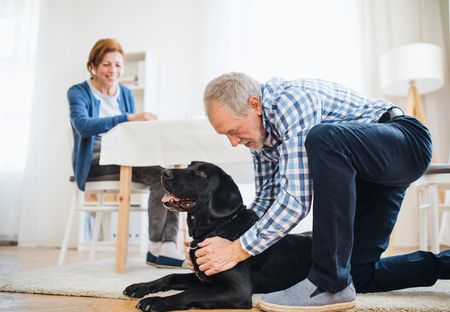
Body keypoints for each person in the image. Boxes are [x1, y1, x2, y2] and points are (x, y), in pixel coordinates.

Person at [190, 72, 450, 312]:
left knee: (323, 138)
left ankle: (328, 284)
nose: (234, 142)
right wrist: (216, 246)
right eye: (226, 135)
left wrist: (237, 250)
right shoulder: (260, 138)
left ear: (255, 105)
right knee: (356, 273)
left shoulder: (291, 102)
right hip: (370, 176)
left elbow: (296, 200)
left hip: (405, 142)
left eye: (234, 131)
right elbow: (267, 198)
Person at [68, 38, 187, 269]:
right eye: (106, 64)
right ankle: (155, 248)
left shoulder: (125, 93)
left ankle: (167, 247)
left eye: (118, 65)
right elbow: (82, 125)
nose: (113, 71)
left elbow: (133, 134)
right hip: (94, 163)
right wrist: (128, 118)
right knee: (161, 177)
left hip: (123, 158)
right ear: (93, 65)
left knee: (169, 177)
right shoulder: (78, 92)